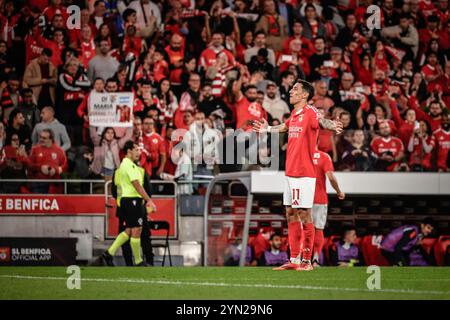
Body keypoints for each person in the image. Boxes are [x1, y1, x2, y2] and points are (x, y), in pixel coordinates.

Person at [253, 79, 343, 271]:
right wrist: (267, 129)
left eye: (295, 90)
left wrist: (331, 125)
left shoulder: (311, 111)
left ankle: (307, 261)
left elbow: (321, 121)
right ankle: (294, 260)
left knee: (304, 214)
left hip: (304, 173)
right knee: (290, 213)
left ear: (304, 95)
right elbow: (285, 127)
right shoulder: (295, 113)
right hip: (290, 171)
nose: (291, 92)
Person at [102, 140, 156, 267]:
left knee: (129, 230)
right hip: (132, 200)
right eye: (136, 149)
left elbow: (116, 189)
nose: (139, 152)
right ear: (129, 151)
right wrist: (149, 200)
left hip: (126, 202)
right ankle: (138, 261)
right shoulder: (129, 165)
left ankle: (109, 253)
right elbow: (137, 185)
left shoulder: (123, 166)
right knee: (137, 229)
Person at [311, 150, 345, 266]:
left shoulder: (301, 153)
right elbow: (330, 177)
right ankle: (315, 259)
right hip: (319, 199)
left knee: (304, 229)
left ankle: (301, 259)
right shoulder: (324, 156)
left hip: (303, 198)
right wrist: (339, 191)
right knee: (318, 229)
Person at [27, 128, 67, 194]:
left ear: (51, 139)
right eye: (40, 137)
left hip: (54, 185)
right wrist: (40, 168)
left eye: (44, 138)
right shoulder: (35, 149)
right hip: (38, 184)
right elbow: (29, 165)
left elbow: (65, 166)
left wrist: (56, 170)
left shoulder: (59, 151)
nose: (41, 140)